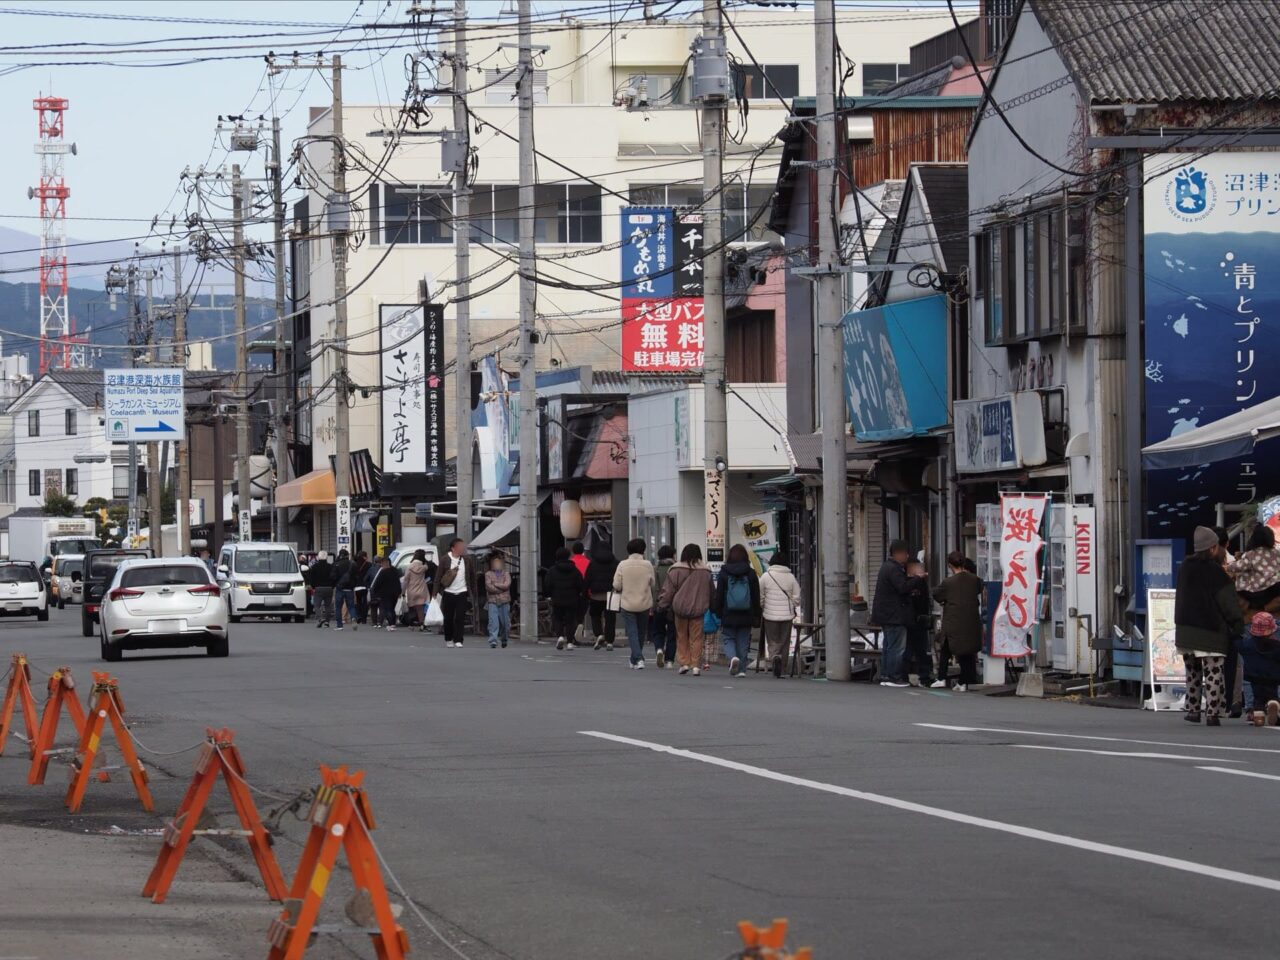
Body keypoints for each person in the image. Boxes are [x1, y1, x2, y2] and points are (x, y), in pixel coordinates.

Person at [1175, 525, 1245, 726]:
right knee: (1214, 672)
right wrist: (1237, 624)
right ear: (1213, 548)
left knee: (1193, 672)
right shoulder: (1216, 572)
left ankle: (1193, 710)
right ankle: (1213, 712)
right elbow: (1228, 603)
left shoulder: (1185, 567)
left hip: (1186, 628)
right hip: (1210, 630)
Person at [871, 540, 922, 688]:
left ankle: (886, 675)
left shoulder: (886, 567)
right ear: (898, 554)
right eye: (905, 554)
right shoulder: (894, 569)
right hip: (894, 615)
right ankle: (894, 677)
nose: (907, 557)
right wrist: (917, 578)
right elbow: (902, 587)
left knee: (888, 645)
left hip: (886, 614)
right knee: (897, 647)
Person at [657, 543, 714, 676]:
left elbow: (668, 591)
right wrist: (713, 606)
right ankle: (696, 666)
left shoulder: (675, 569)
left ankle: (684, 663)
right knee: (697, 637)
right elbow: (711, 591)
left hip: (679, 607)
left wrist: (662, 605)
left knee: (681, 635)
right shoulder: (705, 571)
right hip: (698, 608)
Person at [931, 551, 983, 691]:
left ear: (949, 565)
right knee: (967, 652)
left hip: (953, 621)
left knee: (946, 648)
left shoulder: (948, 583)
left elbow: (936, 594)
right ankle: (963, 682)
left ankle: (942, 678)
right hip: (970, 621)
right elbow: (979, 589)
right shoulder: (975, 580)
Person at [714, 544, 761, 678]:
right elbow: (755, 595)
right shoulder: (751, 573)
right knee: (743, 641)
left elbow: (719, 595)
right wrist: (757, 614)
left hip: (728, 612)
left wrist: (718, 611)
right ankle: (741, 670)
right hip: (746, 613)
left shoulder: (724, 573)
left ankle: (733, 658)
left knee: (728, 638)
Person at [613, 538, 656, 669]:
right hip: (644, 602)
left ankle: (637, 658)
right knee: (641, 632)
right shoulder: (648, 565)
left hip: (627, 602)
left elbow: (617, 585)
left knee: (632, 631)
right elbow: (652, 584)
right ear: (643, 550)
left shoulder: (622, 565)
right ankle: (635, 658)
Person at [759, 550, 801, 678]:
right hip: (786, 615)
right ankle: (782, 668)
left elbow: (760, 596)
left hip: (769, 614)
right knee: (784, 641)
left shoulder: (766, 576)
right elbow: (797, 597)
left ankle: (774, 657)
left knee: (772, 640)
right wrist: (792, 604)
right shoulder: (791, 577)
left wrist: (764, 605)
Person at [1241, 611, 1280, 726]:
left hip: (1254, 678)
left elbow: (1239, 645)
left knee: (1258, 699)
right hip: (1273, 678)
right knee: (1273, 695)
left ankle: (1258, 715)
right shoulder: (1277, 646)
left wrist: (1235, 636)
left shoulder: (1248, 644)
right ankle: (1274, 704)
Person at [543, 547, 586, 650]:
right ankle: (570, 642)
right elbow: (580, 584)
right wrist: (578, 593)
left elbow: (547, 585)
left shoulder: (552, 571)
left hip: (557, 599)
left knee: (557, 618)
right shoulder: (575, 570)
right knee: (570, 620)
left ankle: (560, 636)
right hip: (572, 599)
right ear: (568, 556)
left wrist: (549, 595)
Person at [904, 559, 935, 687]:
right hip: (910, 621)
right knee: (910, 651)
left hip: (919, 621)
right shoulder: (905, 583)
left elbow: (925, 601)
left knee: (919, 651)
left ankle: (924, 677)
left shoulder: (921, 583)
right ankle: (910, 676)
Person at [435, 538, 471, 648]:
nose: (462, 549)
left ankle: (458, 639)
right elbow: (438, 576)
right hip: (448, 592)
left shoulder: (467, 560)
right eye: (459, 547)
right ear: (453, 548)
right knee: (448, 617)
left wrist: (472, 591)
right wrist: (435, 592)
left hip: (462, 591)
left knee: (460, 617)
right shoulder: (445, 559)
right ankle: (448, 638)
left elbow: (472, 576)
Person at [585, 541, 619, 650]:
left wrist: (585, 592)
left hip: (596, 595)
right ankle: (609, 641)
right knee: (610, 618)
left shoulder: (592, 563)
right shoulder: (615, 563)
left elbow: (587, 579)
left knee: (595, 615)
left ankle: (599, 634)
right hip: (612, 595)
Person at [484, 552, 512, 649]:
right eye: (494, 562)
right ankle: (493, 640)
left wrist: (495, 584)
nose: (496, 564)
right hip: (492, 601)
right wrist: (501, 588)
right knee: (493, 621)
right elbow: (489, 587)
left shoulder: (506, 574)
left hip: (505, 601)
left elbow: (507, 585)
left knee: (505, 623)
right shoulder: (488, 574)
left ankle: (504, 639)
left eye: (498, 562)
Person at [368, 556, 402, 631]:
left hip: (385, 593)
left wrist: (375, 592)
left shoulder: (383, 572)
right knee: (392, 608)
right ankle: (393, 623)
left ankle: (391, 624)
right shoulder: (395, 571)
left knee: (388, 609)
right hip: (395, 593)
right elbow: (398, 582)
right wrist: (399, 591)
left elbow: (377, 583)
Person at [402, 550, 431, 631]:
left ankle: (411, 624)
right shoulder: (424, 567)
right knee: (420, 608)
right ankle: (422, 624)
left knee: (411, 607)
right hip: (422, 589)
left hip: (411, 590)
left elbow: (406, 580)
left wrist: (403, 592)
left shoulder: (410, 567)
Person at [308, 549, 334, 628]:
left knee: (317, 605)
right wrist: (332, 586)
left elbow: (311, 578)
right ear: (326, 558)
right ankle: (327, 622)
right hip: (329, 588)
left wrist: (313, 587)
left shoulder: (314, 567)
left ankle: (320, 618)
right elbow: (334, 577)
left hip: (318, 588)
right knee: (328, 606)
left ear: (318, 557)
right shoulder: (330, 566)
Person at [571, 542, 591, 642]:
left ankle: (574, 630)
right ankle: (579, 624)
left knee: (572, 613)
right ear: (583, 550)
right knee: (581, 613)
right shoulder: (588, 562)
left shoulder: (571, 562)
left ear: (573, 551)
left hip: (573, 591)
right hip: (585, 591)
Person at [332, 549, 356, 631]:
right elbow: (356, 576)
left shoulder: (337, 564)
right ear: (347, 555)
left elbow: (333, 576)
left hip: (340, 588)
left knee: (338, 607)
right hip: (350, 589)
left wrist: (336, 583)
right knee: (351, 606)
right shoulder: (352, 564)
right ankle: (353, 618)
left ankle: (339, 625)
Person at [352, 551, 372, 625]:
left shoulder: (354, 564)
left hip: (357, 586)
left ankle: (358, 616)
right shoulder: (369, 564)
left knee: (358, 602)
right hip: (365, 586)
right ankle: (364, 618)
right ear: (364, 557)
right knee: (365, 603)